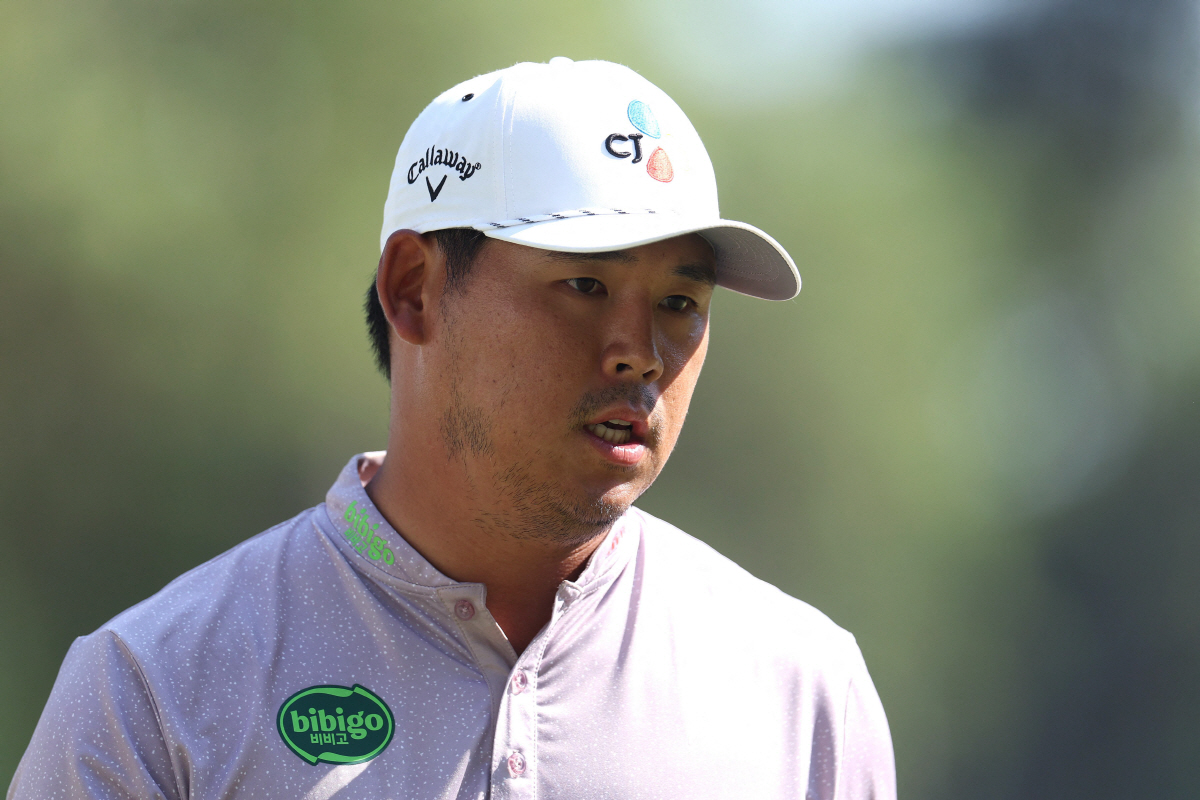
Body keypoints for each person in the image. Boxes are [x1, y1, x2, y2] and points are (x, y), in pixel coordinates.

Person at [9, 58, 895, 799]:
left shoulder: (803, 691)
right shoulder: (154, 690)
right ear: (415, 290)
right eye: (585, 285)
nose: (641, 354)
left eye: (679, 302)